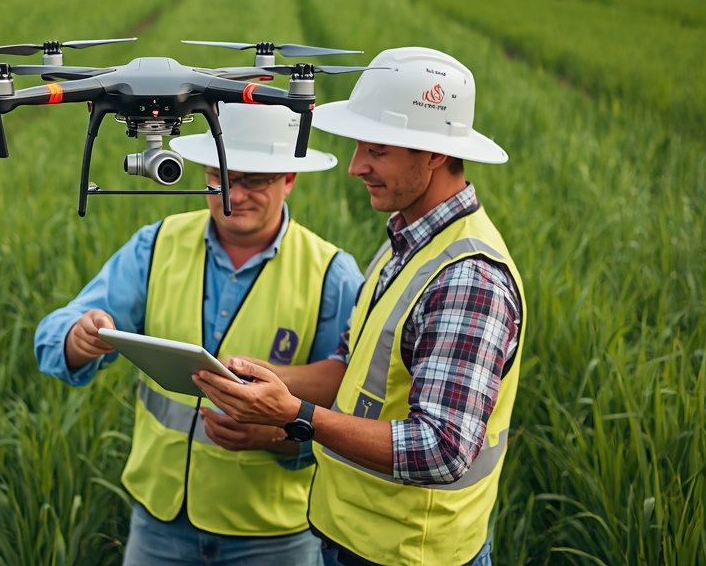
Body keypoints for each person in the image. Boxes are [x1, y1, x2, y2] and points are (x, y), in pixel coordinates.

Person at [194, 47, 525, 566]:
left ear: (433, 153)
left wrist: (296, 415)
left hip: (410, 554)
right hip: (354, 539)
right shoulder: (407, 242)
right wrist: (254, 376)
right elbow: (353, 371)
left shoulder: (468, 277)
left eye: (377, 150)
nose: (355, 167)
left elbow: (441, 450)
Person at [34, 103, 365, 566]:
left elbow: (352, 405)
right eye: (222, 176)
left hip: (271, 535)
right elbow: (58, 330)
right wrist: (79, 335)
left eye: (255, 179)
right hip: (159, 524)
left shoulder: (333, 275)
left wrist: (277, 436)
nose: (235, 194)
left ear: (289, 177)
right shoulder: (157, 244)